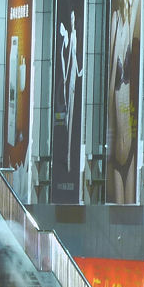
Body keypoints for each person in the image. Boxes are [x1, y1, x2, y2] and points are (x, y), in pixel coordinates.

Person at [106, 0, 143, 203]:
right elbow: (110, 86)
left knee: (130, 212)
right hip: (115, 146)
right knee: (117, 211)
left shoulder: (131, 26)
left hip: (130, 147)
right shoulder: (116, 22)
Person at [59, 9, 83, 173]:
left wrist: (77, 72)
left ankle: (69, 158)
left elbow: (72, 57)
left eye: (74, 17)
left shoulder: (74, 35)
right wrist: (66, 76)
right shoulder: (71, 36)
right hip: (71, 78)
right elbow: (68, 58)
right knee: (68, 115)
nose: (72, 20)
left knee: (72, 116)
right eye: (71, 18)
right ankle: (67, 158)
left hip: (73, 77)